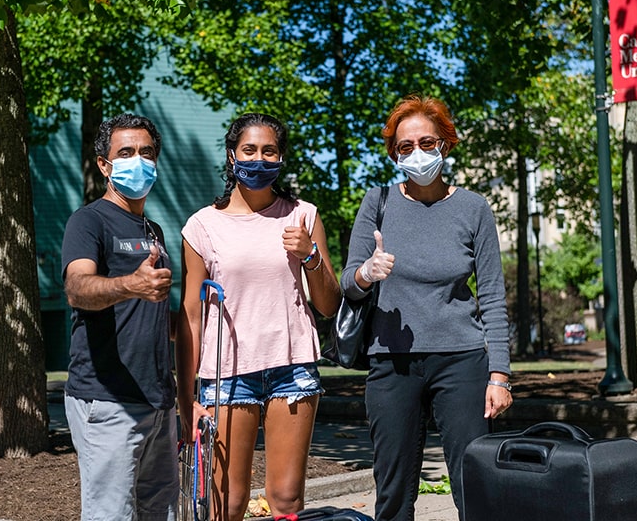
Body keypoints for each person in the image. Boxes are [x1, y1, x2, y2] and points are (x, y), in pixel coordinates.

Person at [340, 95, 513, 521]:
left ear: (445, 146)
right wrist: (367, 272)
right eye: (405, 146)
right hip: (391, 364)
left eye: (427, 142)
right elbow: (347, 283)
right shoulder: (377, 202)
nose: (417, 153)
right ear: (394, 153)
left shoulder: (473, 208)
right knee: (394, 489)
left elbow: (492, 294)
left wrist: (501, 375)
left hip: (462, 361)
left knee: (474, 483)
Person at [176, 113, 342, 521]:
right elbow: (191, 317)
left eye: (269, 151)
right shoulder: (202, 226)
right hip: (226, 375)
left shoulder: (302, 215)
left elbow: (329, 304)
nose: (259, 159)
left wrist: (311, 255)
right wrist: (185, 398)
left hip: (293, 370)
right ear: (232, 156)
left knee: (286, 500)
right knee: (225, 506)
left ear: (281, 157)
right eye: (249, 150)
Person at [61, 112, 178, 521]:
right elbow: (77, 289)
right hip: (107, 400)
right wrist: (131, 284)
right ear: (104, 164)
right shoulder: (88, 221)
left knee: (160, 514)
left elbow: (160, 317)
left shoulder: (154, 230)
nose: (138, 160)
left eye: (146, 152)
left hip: (158, 401)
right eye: (125, 152)